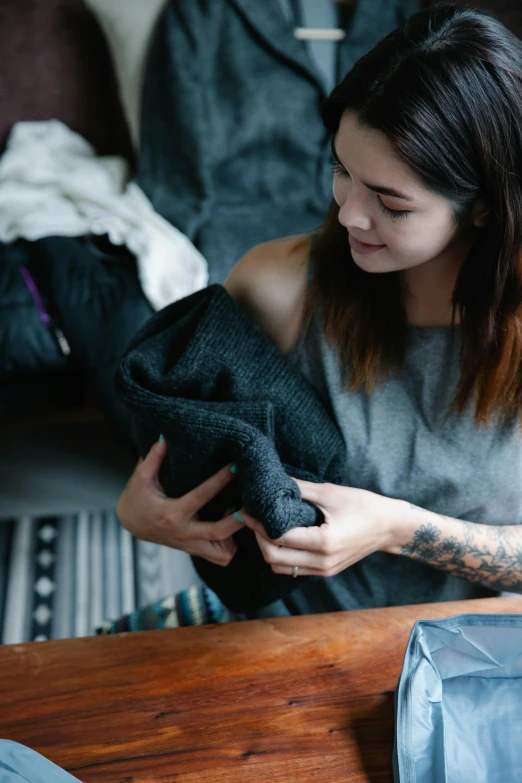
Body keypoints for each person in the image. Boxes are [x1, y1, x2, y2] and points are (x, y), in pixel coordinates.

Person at [117, 4, 522, 618]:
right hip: (282, 632)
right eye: (342, 170)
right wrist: (142, 511)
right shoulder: (278, 285)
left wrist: (397, 528)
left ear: (487, 206)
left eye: (391, 202)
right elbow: (188, 455)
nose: (349, 214)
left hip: (467, 648)